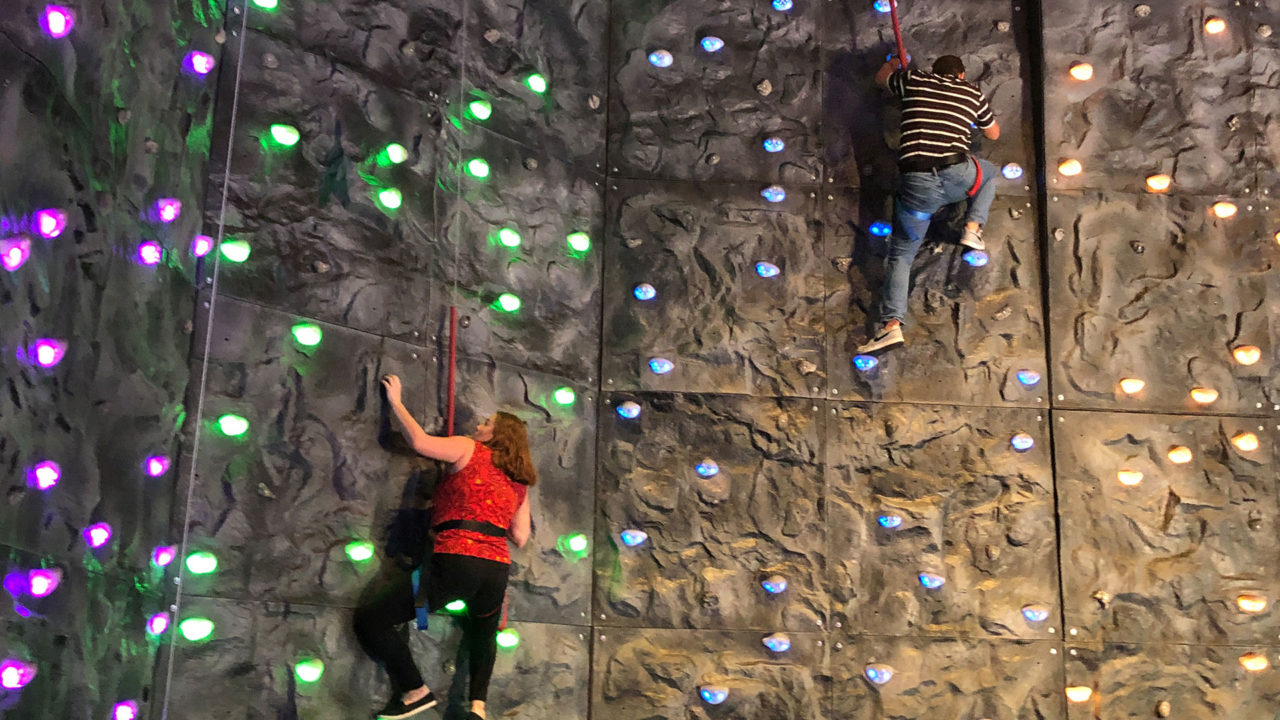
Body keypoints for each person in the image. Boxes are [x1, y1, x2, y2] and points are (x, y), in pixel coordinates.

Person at [355, 374, 535, 720]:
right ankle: (478, 708)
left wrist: (395, 403)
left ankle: (415, 690)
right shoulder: (519, 480)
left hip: (458, 559)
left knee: (372, 619)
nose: (480, 426)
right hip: (495, 569)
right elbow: (521, 536)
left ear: (497, 435)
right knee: (483, 633)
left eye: (487, 423)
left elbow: (420, 442)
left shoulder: (469, 449)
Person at [857, 54, 1001, 354]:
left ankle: (891, 326)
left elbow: (881, 79)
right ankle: (972, 228)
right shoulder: (971, 91)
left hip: (917, 185)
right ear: (961, 75)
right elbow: (993, 133)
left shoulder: (915, 79)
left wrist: (896, 61)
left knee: (902, 255)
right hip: (957, 175)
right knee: (989, 173)